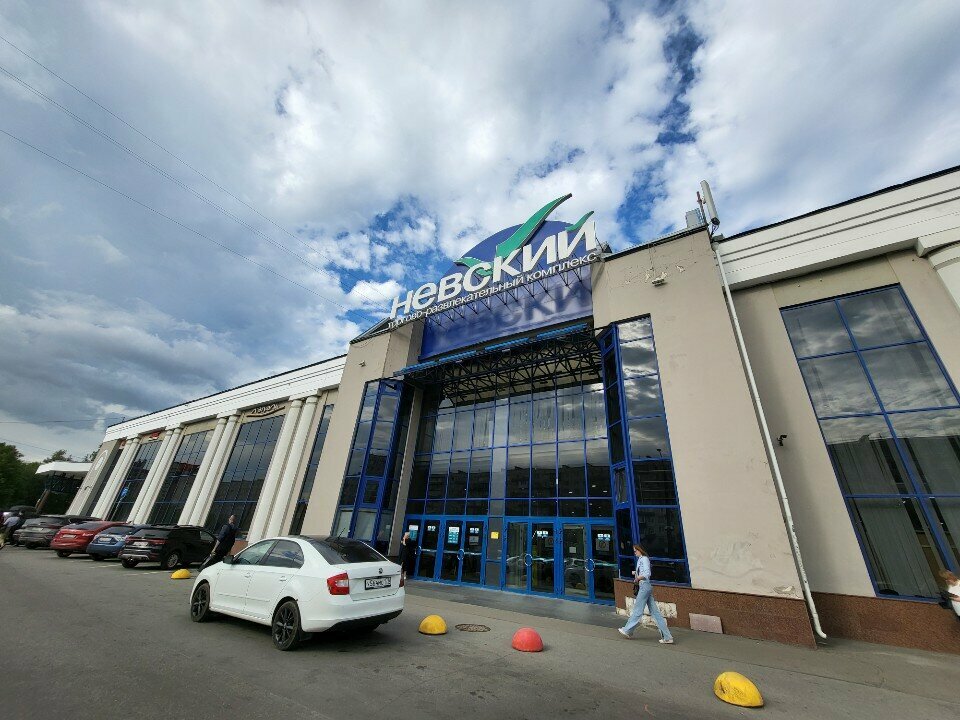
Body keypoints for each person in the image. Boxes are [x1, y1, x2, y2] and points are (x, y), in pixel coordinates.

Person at [618, 544, 674, 644]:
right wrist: (636, 573)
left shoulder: (644, 559)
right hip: (645, 586)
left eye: (635, 551)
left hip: (644, 586)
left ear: (640, 550)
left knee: (637, 610)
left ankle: (627, 630)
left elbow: (647, 573)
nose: (634, 553)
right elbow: (643, 572)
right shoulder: (641, 559)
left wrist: (638, 578)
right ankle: (667, 637)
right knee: (655, 613)